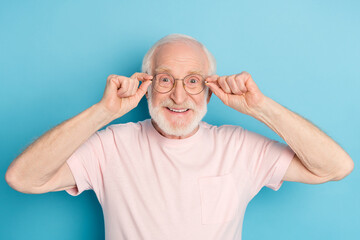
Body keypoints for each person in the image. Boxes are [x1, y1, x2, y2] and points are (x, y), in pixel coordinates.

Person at [5, 33, 354, 240]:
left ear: (209, 91)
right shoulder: (111, 145)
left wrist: (260, 107)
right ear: (147, 85)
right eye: (165, 79)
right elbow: (21, 177)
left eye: (192, 81)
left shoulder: (238, 147)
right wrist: (103, 112)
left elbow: (335, 167)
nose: (178, 96)